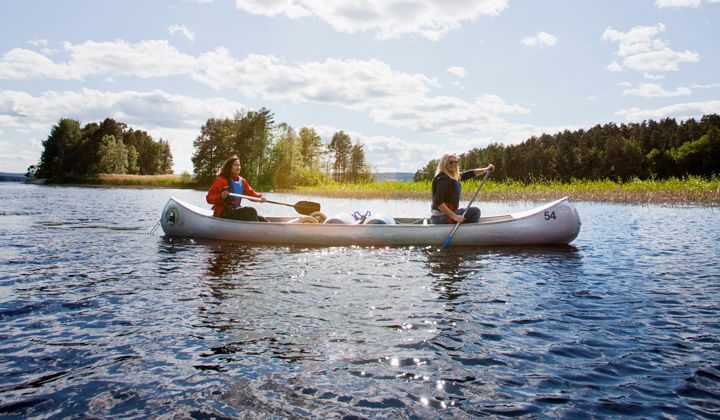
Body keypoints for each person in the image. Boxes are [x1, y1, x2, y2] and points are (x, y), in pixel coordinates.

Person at [431, 154, 494, 225]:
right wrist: (455, 217)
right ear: (444, 164)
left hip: (444, 216)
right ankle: (469, 232)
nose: (454, 164)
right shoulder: (443, 179)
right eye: (451, 162)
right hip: (440, 218)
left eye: (456, 162)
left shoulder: (451, 176)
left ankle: (464, 230)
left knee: (469, 213)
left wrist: (485, 170)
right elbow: (438, 202)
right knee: (475, 211)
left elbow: (469, 174)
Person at [206, 155, 267, 221]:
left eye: (239, 165)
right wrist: (220, 196)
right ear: (229, 167)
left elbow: (251, 193)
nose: (238, 167)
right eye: (235, 165)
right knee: (251, 211)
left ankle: (266, 229)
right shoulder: (221, 180)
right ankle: (257, 230)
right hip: (223, 214)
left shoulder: (242, 181)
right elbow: (209, 198)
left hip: (235, 212)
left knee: (261, 219)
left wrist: (261, 197)